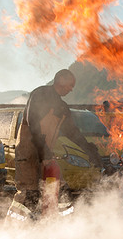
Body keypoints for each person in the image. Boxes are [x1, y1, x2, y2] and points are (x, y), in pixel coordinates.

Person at [8, 69, 102, 219]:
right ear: (60, 79)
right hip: (29, 153)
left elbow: (72, 132)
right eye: (70, 85)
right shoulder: (40, 94)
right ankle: (12, 230)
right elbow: (34, 125)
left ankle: (61, 228)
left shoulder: (62, 107)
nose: (71, 89)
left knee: (60, 191)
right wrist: (44, 152)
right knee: (28, 195)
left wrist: (89, 150)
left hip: (46, 155)